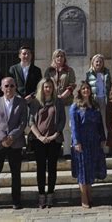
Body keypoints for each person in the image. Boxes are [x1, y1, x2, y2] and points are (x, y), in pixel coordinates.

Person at [0, 77, 27, 213]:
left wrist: (12, 136)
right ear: (1, 88)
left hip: (15, 142)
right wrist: (3, 137)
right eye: (6, 86)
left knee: (16, 174)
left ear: (15, 87)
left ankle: (16, 200)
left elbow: (23, 122)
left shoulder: (21, 102)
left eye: (12, 86)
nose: (9, 89)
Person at [29, 77, 66, 208]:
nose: (48, 89)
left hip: (54, 140)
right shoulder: (35, 102)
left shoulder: (58, 102)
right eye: (45, 87)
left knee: (52, 168)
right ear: (41, 88)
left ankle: (50, 194)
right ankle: (41, 195)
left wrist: (55, 134)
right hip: (39, 140)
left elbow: (62, 120)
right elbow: (31, 121)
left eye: (50, 87)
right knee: (40, 168)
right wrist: (39, 136)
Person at [70, 81, 107, 208]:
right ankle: (83, 197)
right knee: (82, 170)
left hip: (94, 141)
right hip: (81, 141)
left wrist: (102, 137)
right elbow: (74, 127)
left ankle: (89, 193)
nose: (86, 90)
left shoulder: (95, 105)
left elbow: (100, 123)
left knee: (90, 169)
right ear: (80, 91)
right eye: (83, 89)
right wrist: (76, 142)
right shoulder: (75, 107)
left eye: (88, 88)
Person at [44, 49, 76, 159]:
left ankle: (67, 151)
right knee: (53, 127)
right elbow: (45, 84)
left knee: (66, 127)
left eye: (61, 56)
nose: (59, 58)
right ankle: (55, 150)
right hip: (52, 104)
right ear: (54, 58)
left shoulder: (69, 70)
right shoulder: (49, 71)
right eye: (57, 56)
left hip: (66, 102)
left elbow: (72, 86)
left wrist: (62, 96)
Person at [85, 54, 112, 155]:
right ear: (93, 63)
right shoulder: (88, 74)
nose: (98, 63)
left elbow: (110, 86)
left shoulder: (107, 73)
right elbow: (86, 88)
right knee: (94, 125)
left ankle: (105, 149)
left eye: (100, 61)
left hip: (104, 101)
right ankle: (95, 147)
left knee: (105, 124)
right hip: (94, 101)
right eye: (96, 61)